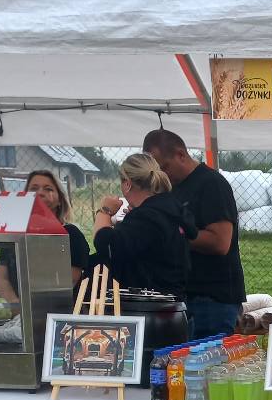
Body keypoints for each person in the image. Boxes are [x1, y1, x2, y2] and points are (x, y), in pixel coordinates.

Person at [141, 129, 245, 338]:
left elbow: (220, 242)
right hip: (184, 295)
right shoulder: (171, 188)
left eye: (164, 167)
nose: (162, 175)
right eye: (156, 171)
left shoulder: (212, 184)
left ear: (181, 154)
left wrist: (172, 236)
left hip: (213, 299)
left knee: (208, 358)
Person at [91, 153, 194, 299]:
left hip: (149, 304)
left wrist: (105, 211)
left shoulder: (147, 217)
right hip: (172, 300)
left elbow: (107, 245)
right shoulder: (170, 210)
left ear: (127, 184)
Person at [0, 169, 91, 317]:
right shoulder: (16, 235)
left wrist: (35, 309)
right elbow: (2, 278)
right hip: (21, 316)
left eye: (48, 189)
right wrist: (16, 303)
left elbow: (70, 280)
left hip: (60, 316)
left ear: (60, 199)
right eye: (34, 189)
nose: (40, 193)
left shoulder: (71, 235)